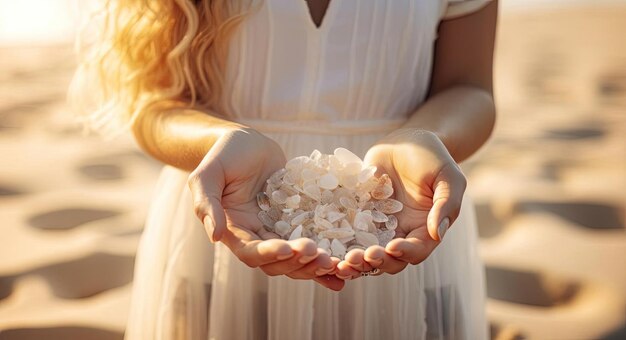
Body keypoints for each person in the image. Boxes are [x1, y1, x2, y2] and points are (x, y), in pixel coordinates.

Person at [71, 0, 498, 338]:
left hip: (402, 208)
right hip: (231, 212)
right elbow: (151, 105)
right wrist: (216, 142)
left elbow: (469, 88)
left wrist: (424, 140)